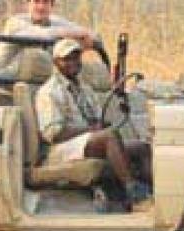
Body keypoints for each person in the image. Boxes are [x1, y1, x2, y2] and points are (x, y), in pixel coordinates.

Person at [36, 39, 151, 209]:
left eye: (76, 58)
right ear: (56, 63)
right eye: (66, 59)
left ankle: (154, 192)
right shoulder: (49, 92)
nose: (72, 63)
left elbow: (97, 119)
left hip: (86, 141)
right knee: (109, 137)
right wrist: (92, 130)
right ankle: (133, 192)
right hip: (60, 148)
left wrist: (102, 124)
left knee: (142, 147)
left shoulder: (85, 89)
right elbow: (54, 133)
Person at [0, 0, 96, 78]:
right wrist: (74, 34)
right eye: (36, 2)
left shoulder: (55, 21)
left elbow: (92, 34)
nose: (41, 7)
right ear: (28, 4)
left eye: (45, 2)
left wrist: (86, 36)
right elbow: (41, 34)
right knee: (33, 56)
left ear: (51, 5)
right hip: (0, 81)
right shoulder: (15, 22)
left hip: (35, 81)